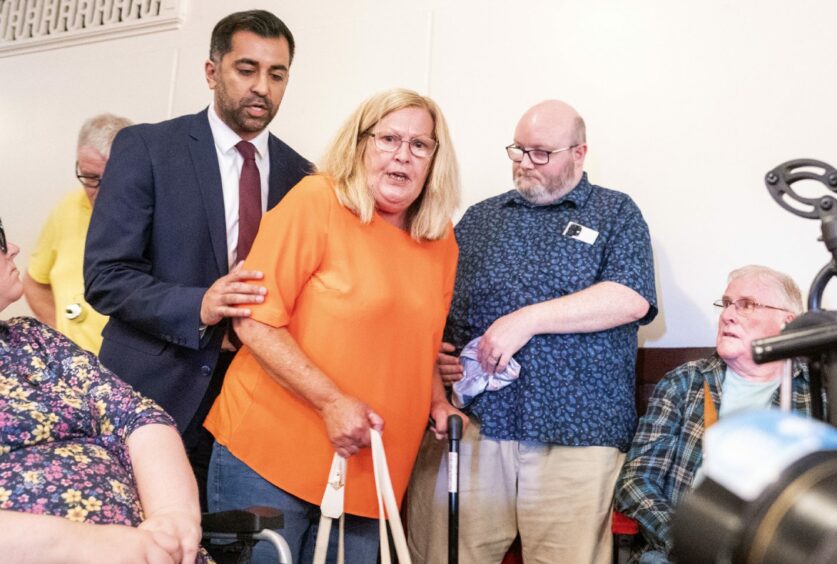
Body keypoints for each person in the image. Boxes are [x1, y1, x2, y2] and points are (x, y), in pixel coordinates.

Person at [204, 88, 464, 562]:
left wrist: (437, 401)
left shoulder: (440, 237)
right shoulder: (316, 201)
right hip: (272, 452)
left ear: (434, 159)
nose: (402, 155)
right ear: (360, 143)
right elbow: (254, 323)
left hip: (374, 467)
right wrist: (330, 401)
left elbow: (420, 339)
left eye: (420, 145)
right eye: (388, 139)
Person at [406, 100, 658, 564]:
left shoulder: (615, 212)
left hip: (576, 434)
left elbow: (630, 297)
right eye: (518, 149)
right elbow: (440, 309)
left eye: (540, 152)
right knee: (443, 554)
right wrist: (442, 359)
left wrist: (525, 321)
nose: (524, 161)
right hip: (479, 426)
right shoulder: (479, 220)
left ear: (579, 153)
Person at [84, 10, 311, 507]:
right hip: (150, 395)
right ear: (212, 72)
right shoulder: (147, 147)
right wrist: (199, 306)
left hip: (254, 411)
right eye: (246, 69)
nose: (262, 88)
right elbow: (106, 277)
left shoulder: (303, 177)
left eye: (277, 74)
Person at [0, 218, 206, 564]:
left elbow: (140, 417)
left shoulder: (34, 340)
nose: (15, 249)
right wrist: (84, 544)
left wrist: (172, 517)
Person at [615, 265, 810, 564]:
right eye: (727, 303)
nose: (728, 315)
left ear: (788, 323)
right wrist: (686, 542)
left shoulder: (815, 393)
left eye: (747, 305)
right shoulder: (684, 382)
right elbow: (636, 481)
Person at [23, 113, 131, 354]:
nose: (100, 192)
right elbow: (34, 282)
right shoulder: (67, 208)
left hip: (125, 376)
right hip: (75, 370)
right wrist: (62, 341)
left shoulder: (158, 215)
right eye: (90, 178)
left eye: (111, 178)